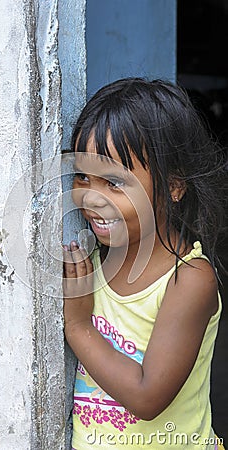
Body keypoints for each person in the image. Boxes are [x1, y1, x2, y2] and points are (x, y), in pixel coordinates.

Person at [63, 78, 227, 449]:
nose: (92, 198)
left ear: (174, 186)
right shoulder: (92, 261)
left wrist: (78, 326)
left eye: (115, 184)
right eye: (83, 176)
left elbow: (147, 397)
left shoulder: (189, 279)